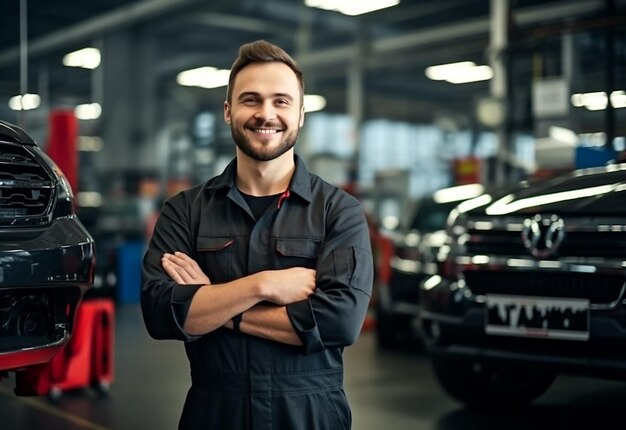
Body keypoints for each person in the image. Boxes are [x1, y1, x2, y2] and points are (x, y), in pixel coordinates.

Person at [141, 39, 373, 430]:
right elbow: (162, 314)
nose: (266, 114)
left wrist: (219, 306)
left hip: (310, 412)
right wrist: (264, 284)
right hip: (214, 412)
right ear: (228, 112)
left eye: (281, 101)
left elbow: (339, 322)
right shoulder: (185, 210)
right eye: (251, 100)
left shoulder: (339, 211)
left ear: (301, 114)